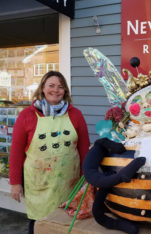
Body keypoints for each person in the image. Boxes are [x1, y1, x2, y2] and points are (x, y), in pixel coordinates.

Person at [9, 71, 90, 234]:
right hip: (39, 184)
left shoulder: (76, 115)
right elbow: (16, 152)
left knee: (64, 224)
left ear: (65, 91)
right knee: (39, 224)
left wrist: (86, 179)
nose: (56, 90)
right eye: (51, 86)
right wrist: (15, 183)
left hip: (69, 184)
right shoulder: (27, 115)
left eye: (60, 87)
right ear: (42, 89)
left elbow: (84, 150)